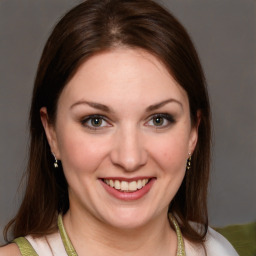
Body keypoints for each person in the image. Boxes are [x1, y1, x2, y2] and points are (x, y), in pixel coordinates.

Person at [0, 0, 239, 255]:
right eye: (96, 121)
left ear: (193, 133)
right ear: (52, 133)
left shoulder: (220, 251)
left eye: (158, 120)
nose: (129, 159)